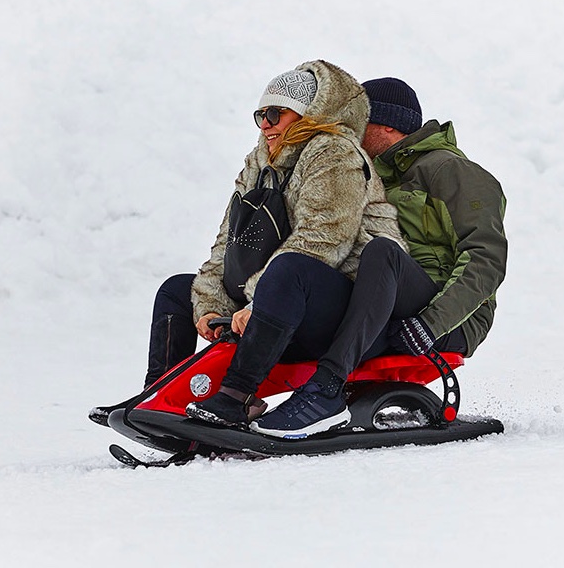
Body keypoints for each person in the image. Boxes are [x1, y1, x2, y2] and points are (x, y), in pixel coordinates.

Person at [142, 60, 406, 427]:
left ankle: (235, 398)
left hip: (344, 308)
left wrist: (257, 302)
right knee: (176, 291)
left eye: (275, 114)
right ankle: (157, 398)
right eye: (260, 115)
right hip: (282, 301)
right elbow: (229, 242)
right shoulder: (260, 163)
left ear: (307, 116)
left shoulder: (336, 153)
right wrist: (209, 305)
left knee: (290, 268)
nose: (264, 124)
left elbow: (324, 240)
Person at [249, 77, 508, 439]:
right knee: (301, 274)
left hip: (446, 315)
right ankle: (238, 391)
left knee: (383, 250)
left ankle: (326, 391)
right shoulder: (364, 175)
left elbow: (487, 259)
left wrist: (431, 324)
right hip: (380, 303)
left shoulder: (450, 171)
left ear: (389, 124)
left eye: (359, 122)